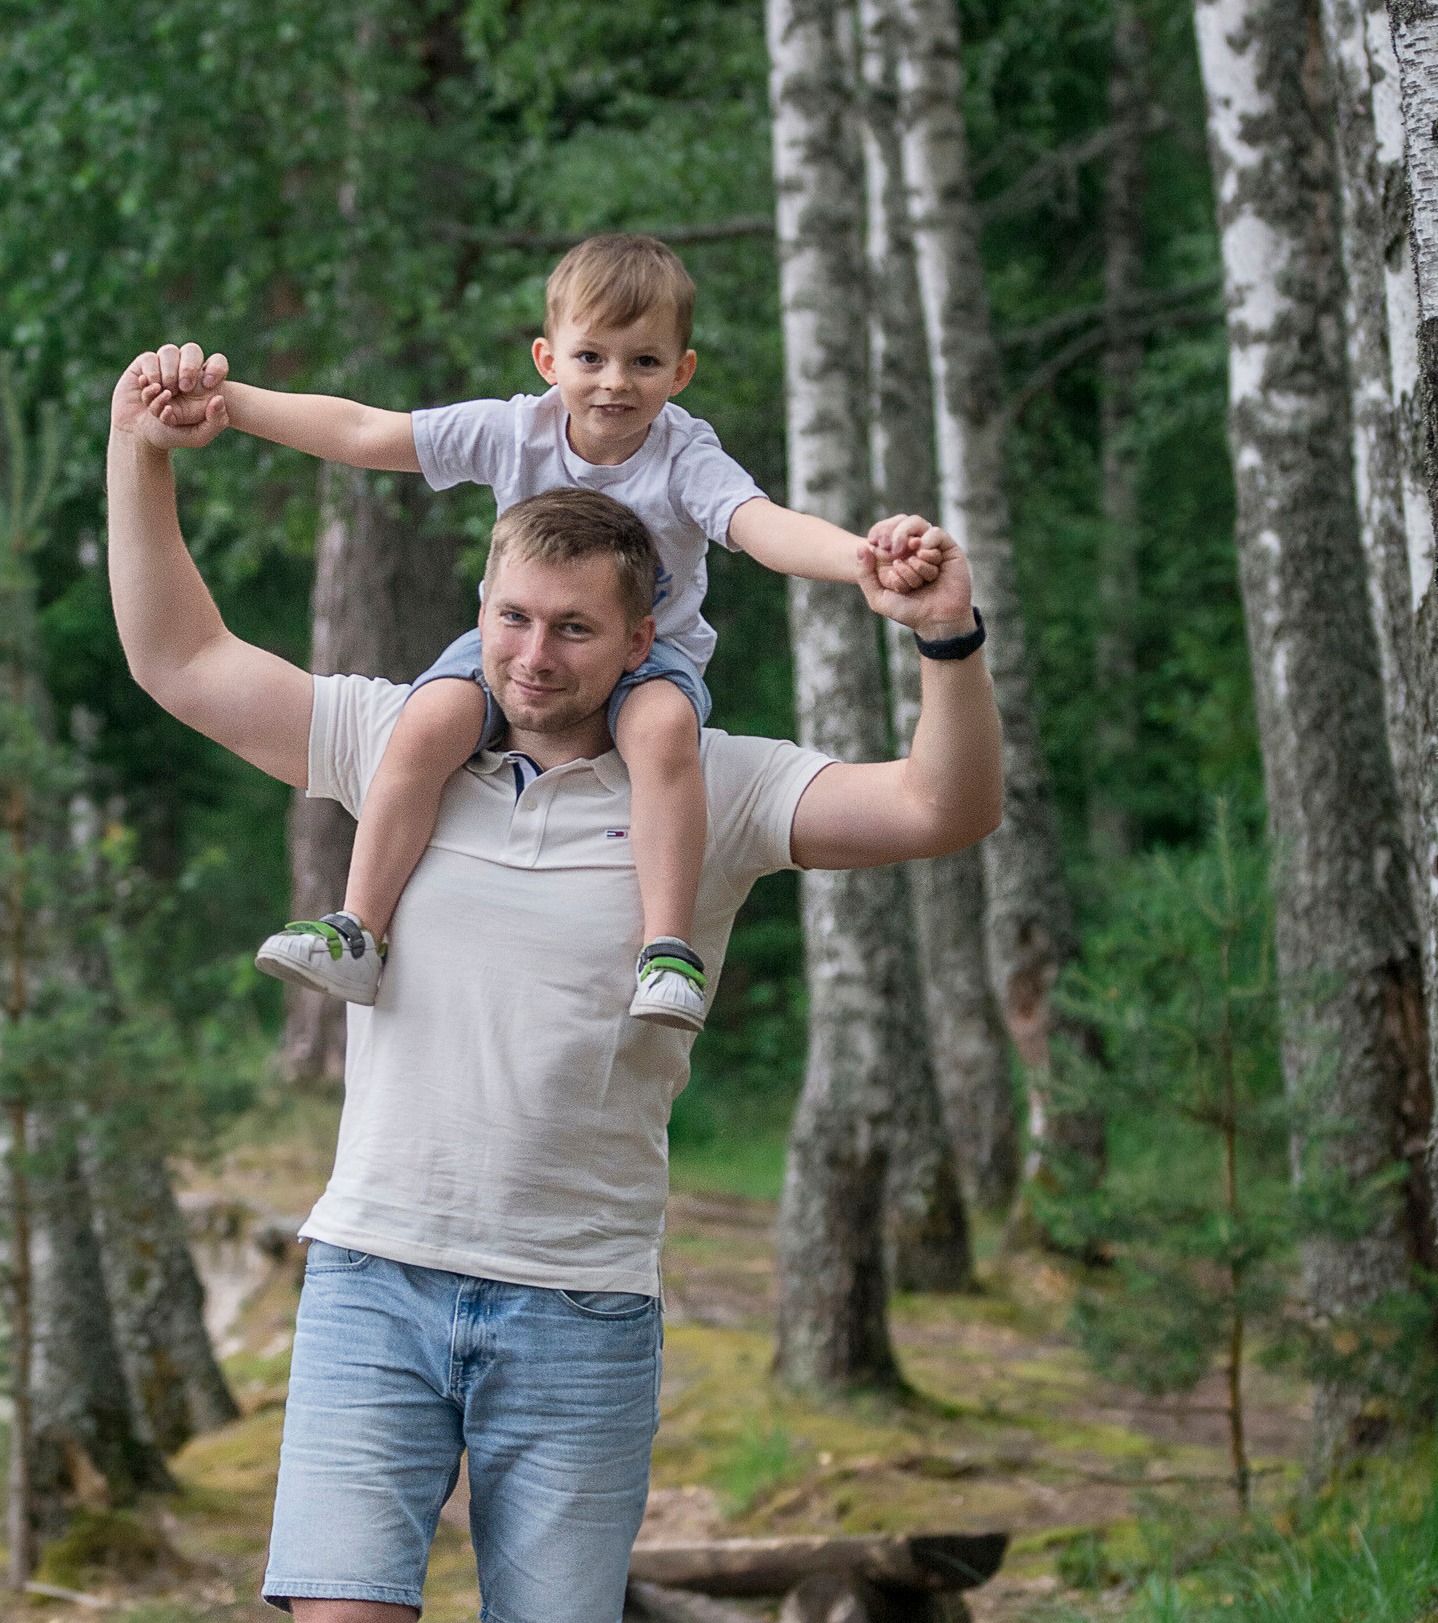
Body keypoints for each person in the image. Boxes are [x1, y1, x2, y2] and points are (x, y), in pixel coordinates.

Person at [106, 346, 1002, 1623]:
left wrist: (949, 643)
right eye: (509, 618)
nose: (530, 656)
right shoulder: (397, 740)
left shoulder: (714, 782)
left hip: (581, 1301)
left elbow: (940, 814)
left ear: (644, 628)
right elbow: (179, 660)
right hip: (377, 1275)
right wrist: (145, 461)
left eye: (572, 630)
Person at [131, 231, 942, 1032]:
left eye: (645, 362)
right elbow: (362, 432)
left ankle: (667, 952)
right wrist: (230, 405)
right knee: (427, 721)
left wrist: (859, 559)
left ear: (681, 371)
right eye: (592, 358)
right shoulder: (513, 430)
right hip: (517, 639)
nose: (615, 383)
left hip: (649, 655)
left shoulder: (686, 456)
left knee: (663, 734)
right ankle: (356, 928)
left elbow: (761, 527)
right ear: (549, 360)